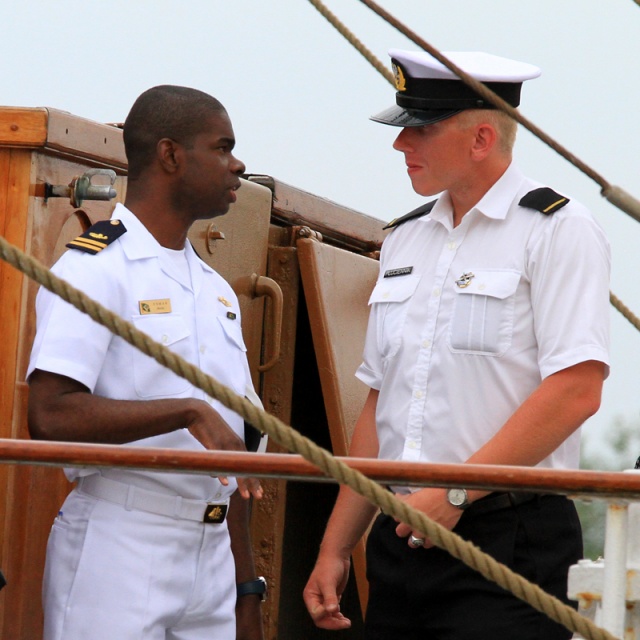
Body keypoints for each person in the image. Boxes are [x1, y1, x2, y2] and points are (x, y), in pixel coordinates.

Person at [303, 50, 610, 639]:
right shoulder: (403, 240)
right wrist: (336, 547)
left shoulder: (558, 230)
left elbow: (576, 391)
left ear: (482, 138)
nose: (400, 145)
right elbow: (380, 404)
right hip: (402, 542)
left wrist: (455, 492)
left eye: (418, 129)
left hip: (510, 541)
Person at [27, 85, 266, 640]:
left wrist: (246, 586)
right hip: (121, 545)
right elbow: (50, 415)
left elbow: (239, 449)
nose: (238, 164)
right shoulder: (94, 269)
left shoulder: (215, 291)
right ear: (171, 155)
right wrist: (185, 412)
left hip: (211, 561)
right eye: (222, 146)